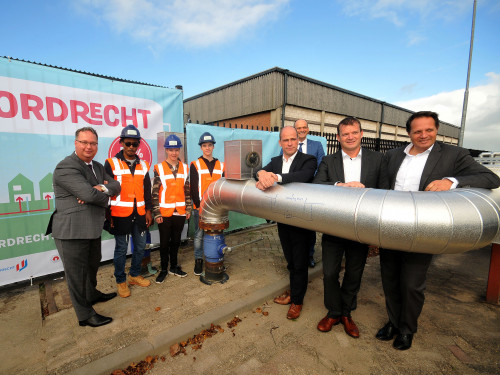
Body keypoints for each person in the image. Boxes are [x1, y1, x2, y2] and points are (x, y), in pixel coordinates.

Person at [376, 111, 500, 350]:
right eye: (418, 131)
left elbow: (489, 178)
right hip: (390, 225)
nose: (424, 135)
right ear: (409, 133)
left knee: (412, 283)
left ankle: (407, 329)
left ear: (436, 130)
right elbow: (382, 186)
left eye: (429, 130)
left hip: (422, 230)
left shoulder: (452, 155)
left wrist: (451, 182)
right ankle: (392, 322)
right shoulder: (392, 156)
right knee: (389, 279)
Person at [313, 117, 389, 338]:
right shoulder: (329, 160)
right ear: (338, 137)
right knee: (329, 273)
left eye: (354, 132)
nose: (350, 137)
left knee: (354, 272)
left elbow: (385, 190)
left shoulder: (378, 159)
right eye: (345, 134)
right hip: (334, 225)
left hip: (362, 227)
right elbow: (317, 185)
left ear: (361, 133)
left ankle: (346, 313)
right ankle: (333, 312)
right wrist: (340, 185)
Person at [47, 127, 121, 327]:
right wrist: (98, 195)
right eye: (84, 142)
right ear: (75, 143)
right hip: (71, 231)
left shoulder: (97, 166)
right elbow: (88, 195)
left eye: (93, 143)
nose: (89, 147)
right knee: (76, 275)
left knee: (91, 266)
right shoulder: (66, 167)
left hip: (91, 228)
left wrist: (102, 188)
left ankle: (92, 294)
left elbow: (116, 185)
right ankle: (85, 315)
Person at [255, 126, 317, 320]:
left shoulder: (308, 160)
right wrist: (261, 175)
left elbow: (302, 176)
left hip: (302, 220)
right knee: (290, 261)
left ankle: (297, 302)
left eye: (293, 139)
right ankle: (294, 292)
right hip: (283, 219)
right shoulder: (275, 161)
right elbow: (258, 170)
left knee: (300, 263)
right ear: (280, 142)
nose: (290, 143)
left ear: (298, 140)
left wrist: (276, 177)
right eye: (285, 140)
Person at [104, 125, 153, 298]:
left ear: (138, 145)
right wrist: (108, 215)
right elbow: (107, 190)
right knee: (121, 249)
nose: (131, 147)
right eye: (128, 143)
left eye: (135, 144)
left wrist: (148, 210)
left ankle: (133, 275)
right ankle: (120, 280)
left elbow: (147, 190)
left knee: (140, 247)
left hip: (139, 214)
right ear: (122, 143)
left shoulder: (144, 165)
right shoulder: (111, 163)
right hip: (120, 215)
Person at [152, 134, 192, 283]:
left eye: (176, 150)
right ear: (166, 150)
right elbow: (155, 192)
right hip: (164, 212)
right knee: (164, 243)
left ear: (179, 150)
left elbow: (187, 190)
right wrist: (156, 212)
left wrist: (188, 208)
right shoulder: (159, 168)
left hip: (180, 212)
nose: (174, 153)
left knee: (176, 241)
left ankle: (174, 266)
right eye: (171, 150)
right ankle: (163, 269)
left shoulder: (185, 168)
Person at [190, 132, 224, 276]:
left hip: (217, 208)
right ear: (201, 147)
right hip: (201, 207)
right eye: (204, 145)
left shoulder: (221, 165)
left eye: (209, 145)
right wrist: (198, 206)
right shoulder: (195, 164)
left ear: (213, 146)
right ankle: (199, 260)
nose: (207, 148)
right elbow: (192, 187)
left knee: (217, 233)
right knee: (199, 235)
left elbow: (224, 186)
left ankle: (217, 259)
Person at [294, 119, 325, 268]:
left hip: (311, 190)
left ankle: (309, 255)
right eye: (298, 128)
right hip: (294, 190)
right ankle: (295, 256)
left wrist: (313, 184)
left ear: (307, 129)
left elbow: (322, 166)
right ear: (295, 130)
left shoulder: (317, 145)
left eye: (304, 127)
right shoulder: (289, 145)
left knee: (309, 225)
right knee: (294, 224)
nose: (301, 130)